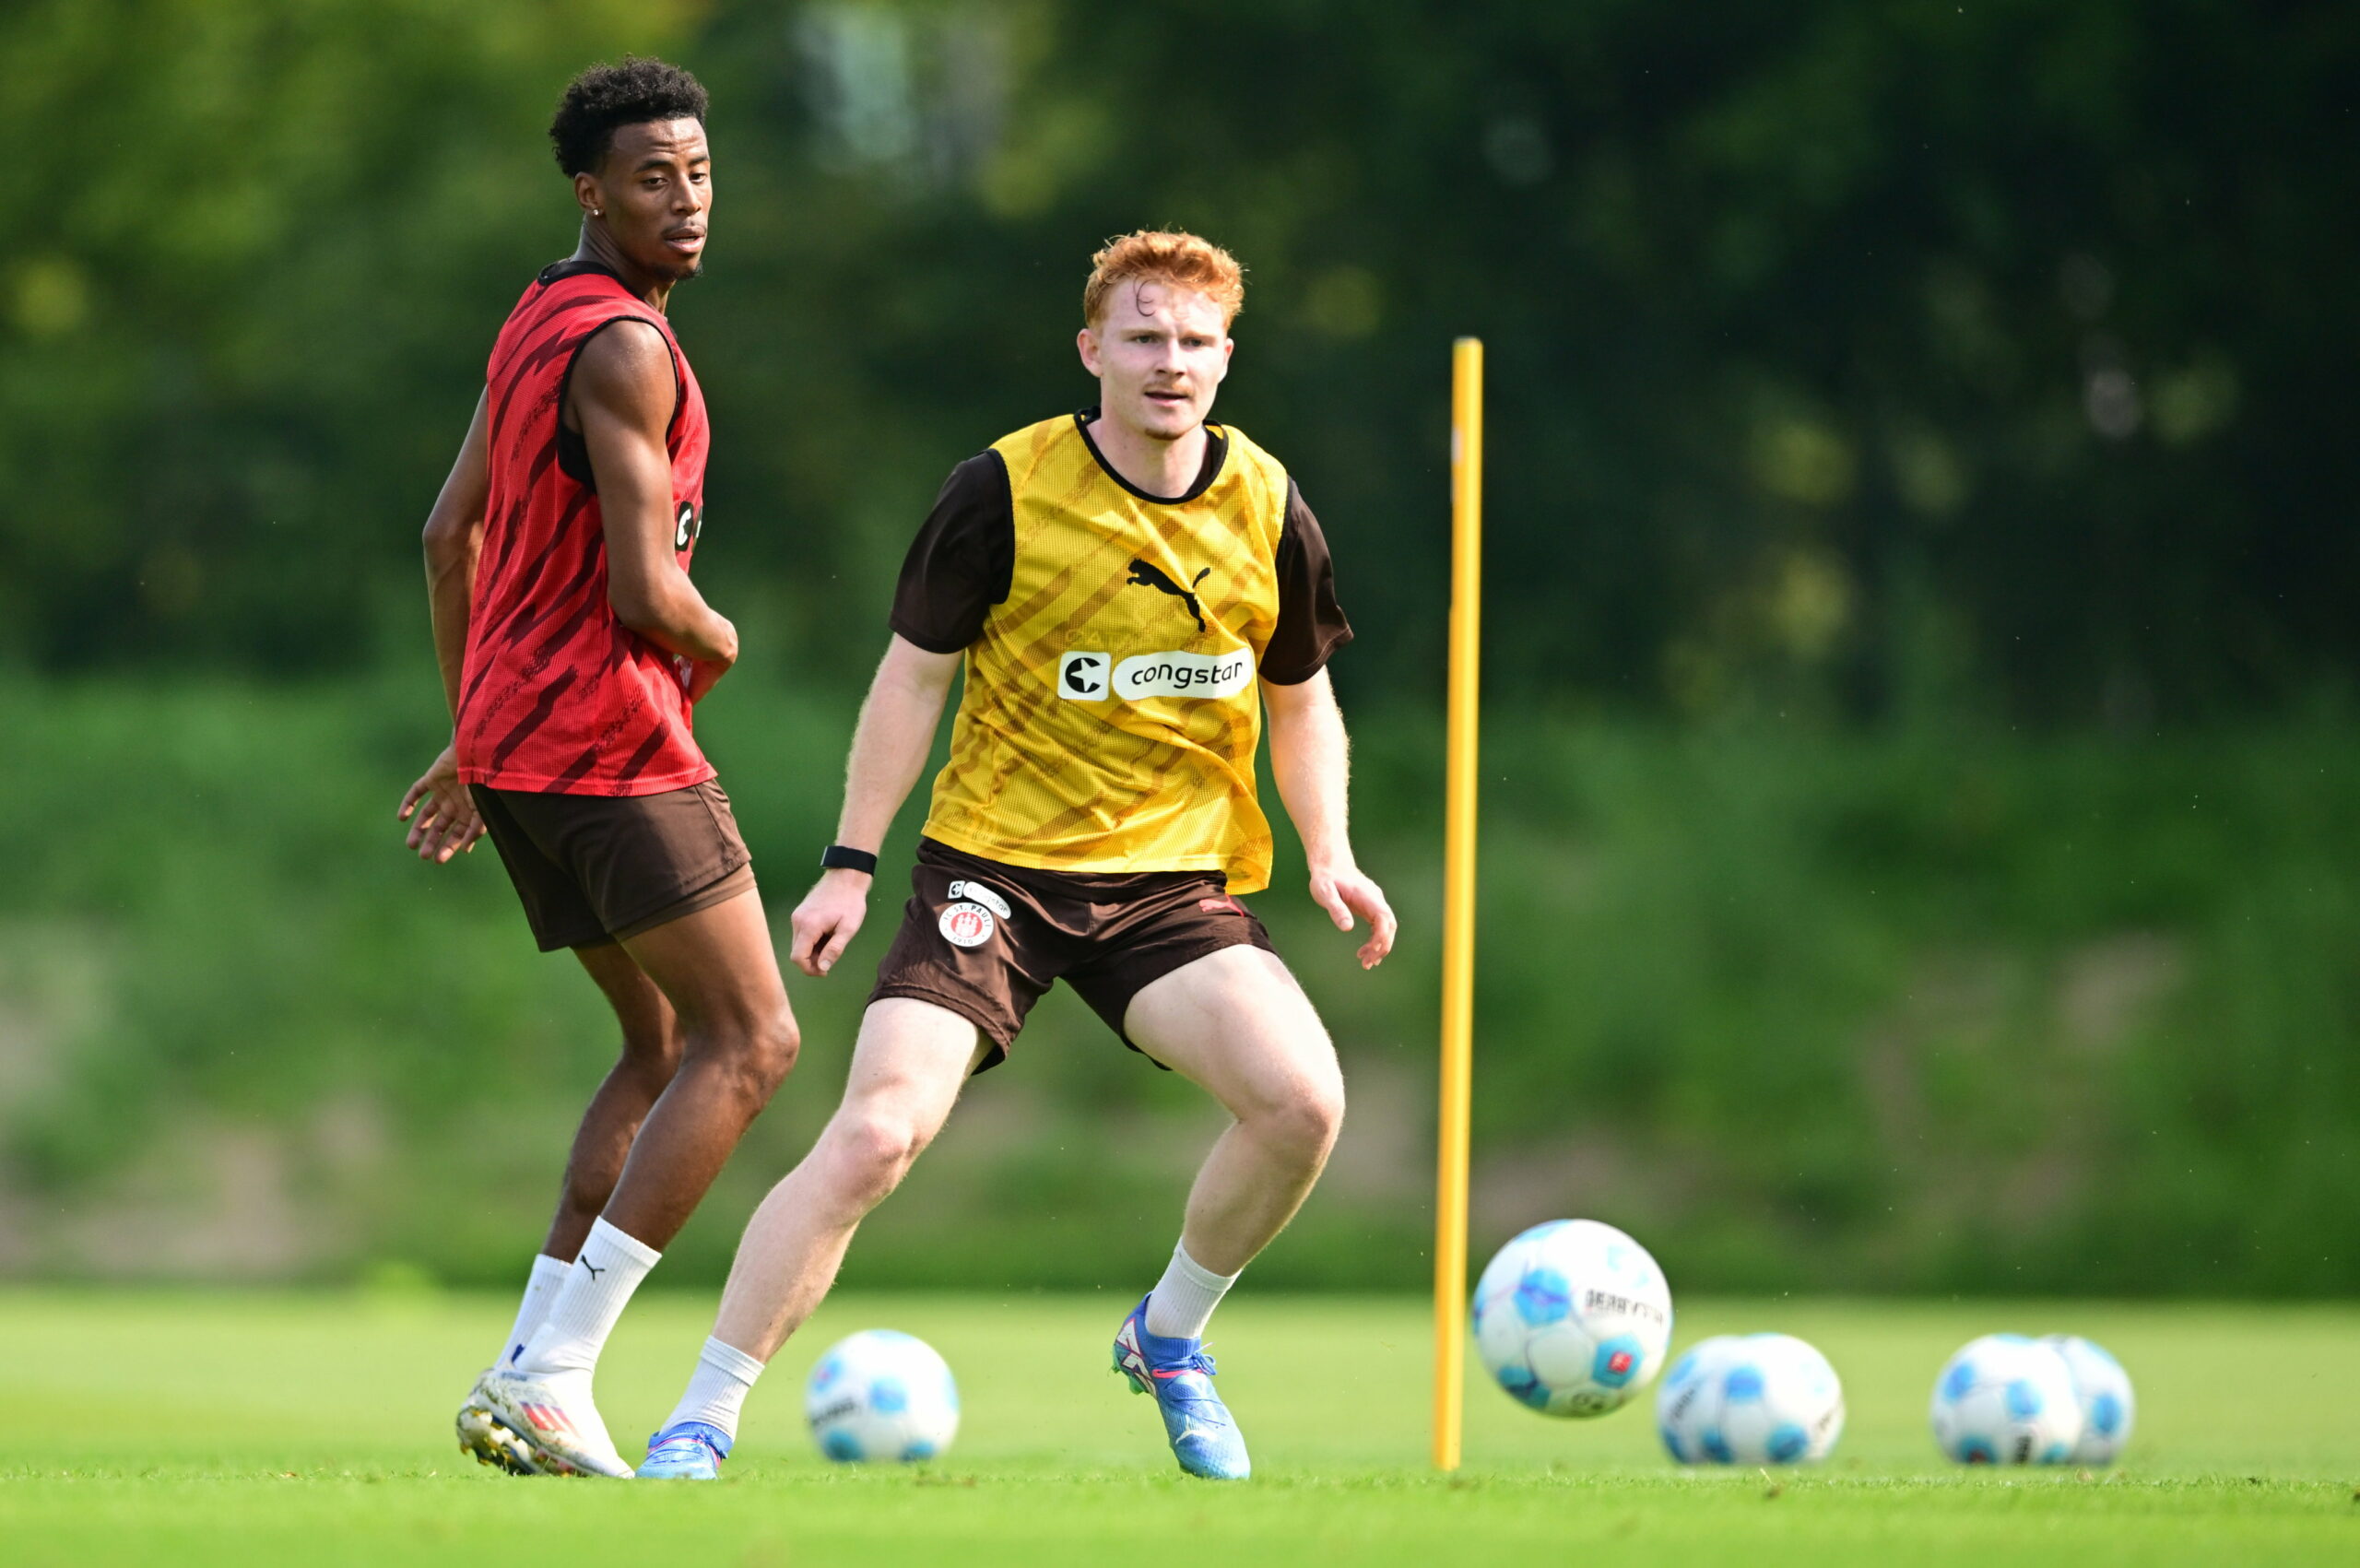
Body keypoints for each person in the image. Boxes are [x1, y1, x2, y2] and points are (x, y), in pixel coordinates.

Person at [632, 230, 1397, 1482]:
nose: (1170, 362)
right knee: (878, 1133)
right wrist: (848, 861)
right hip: (990, 872)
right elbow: (911, 678)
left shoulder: (1266, 500)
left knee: (1304, 1102)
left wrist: (1331, 852)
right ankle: (701, 1418)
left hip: (1170, 889)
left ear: (1225, 360)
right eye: (1144, 337)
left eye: (1195, 342)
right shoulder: (1003, 488)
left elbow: (1300, 693)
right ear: (1093, 349)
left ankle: (1169, 1337)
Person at [396, 57, 797, 1479]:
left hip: (525, 752)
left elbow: (453, 537)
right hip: (613, 748)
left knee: (661, 1044)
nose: (684, 200)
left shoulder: (533, 319)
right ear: (590, 191)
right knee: (754, 1041)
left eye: (697, 173)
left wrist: (474, 728)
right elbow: (645, 592)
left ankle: (522, 1369)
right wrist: (722, 630)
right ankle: (561, 1372)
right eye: (651, 177)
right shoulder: (625, 344)